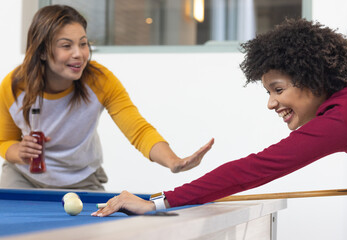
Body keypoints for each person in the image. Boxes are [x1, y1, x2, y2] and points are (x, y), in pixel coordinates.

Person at [91, 18, 347, 216]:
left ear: (314, 79)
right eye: (268, 91)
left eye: (278, 89)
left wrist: (157, 202)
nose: (271, 103)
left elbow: (256, 168)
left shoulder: (340, 119)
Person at [0, 5, 214, 190]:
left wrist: (173, 161)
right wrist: (17, 151)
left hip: (81, 180)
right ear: (43, 52)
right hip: (24, 178)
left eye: (83, 43)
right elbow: (4, 140)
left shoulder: (100, 81)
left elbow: (138, 130)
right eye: (66, 45)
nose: (79, 54)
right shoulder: (14, 86)